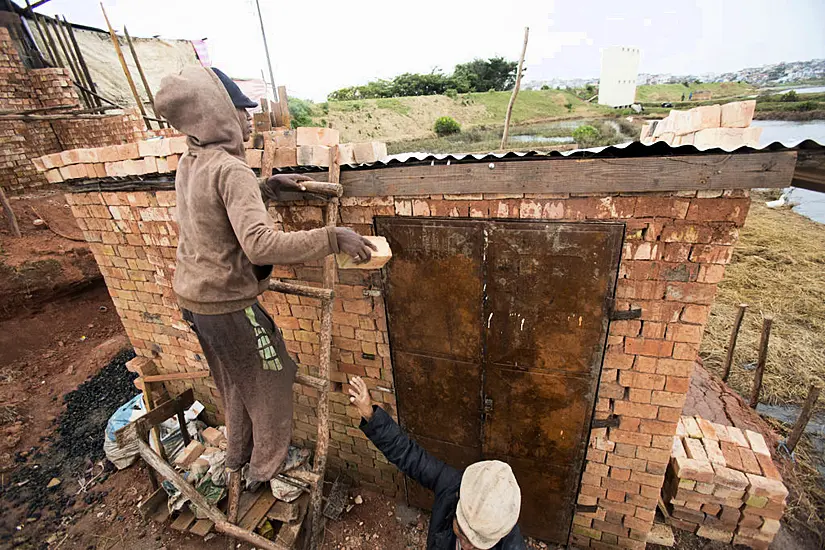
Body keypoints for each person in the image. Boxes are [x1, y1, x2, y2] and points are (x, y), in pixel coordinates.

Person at [154, 66, 376, 487]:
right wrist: (333, 236)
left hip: (195, 302)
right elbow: (260, 245)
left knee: (236, 384)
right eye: (240, 108)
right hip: (228, 305)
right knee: (273, 381)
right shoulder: (230, 170)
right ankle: (265, 469)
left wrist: (268, 187)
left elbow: (214, 203)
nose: (249, 116)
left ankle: (237, 455)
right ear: (215, 114)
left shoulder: (192, 160)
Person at [348, 376, 526, 550]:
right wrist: (371, 415)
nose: (465, 546)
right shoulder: (451, 486)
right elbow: (410, 456)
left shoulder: (510, 540)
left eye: (478, 544)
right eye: (462, 532)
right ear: (459, 501)